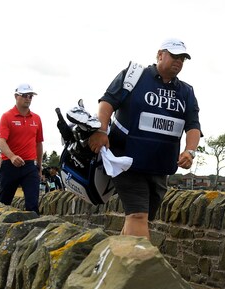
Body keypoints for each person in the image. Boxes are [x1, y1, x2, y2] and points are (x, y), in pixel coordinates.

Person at [86, 40, 201, 237]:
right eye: (174, 56)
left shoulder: (186, 91)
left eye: (182, 58)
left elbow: (193, 125)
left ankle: (119, 260)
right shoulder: (134, 76)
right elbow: (107, 102)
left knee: (139, 219)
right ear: (160, 55)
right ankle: (139, 266)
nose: (179, 61)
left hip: (160, 167)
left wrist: (190, 151)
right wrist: (102, 131)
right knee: (138, 216)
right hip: (127, 162)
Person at [0, 84, 45, 213]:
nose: (28, 98)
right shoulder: (7, 116)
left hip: (29, 166)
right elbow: (0, 141)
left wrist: (39, 166)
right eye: (24, 95)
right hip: (9, 165)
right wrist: (12, 156)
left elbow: (38, 143)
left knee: (32, 204)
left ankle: (35, 231)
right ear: (16, 96)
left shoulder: (36, 118)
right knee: (3, 203)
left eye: (30, 96)